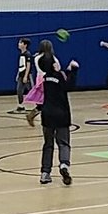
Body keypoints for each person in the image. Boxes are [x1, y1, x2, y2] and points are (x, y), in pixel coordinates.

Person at [38, 53, 79, 186]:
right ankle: (64, 165)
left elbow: (59, 80)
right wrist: (73, 70)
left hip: (47, 114)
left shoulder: (44, 78)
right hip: (61, 115)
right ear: (53, 65)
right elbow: (69, 85)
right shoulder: (60, 76)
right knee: (63, 143)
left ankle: (45, 173)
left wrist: (66, 70)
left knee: (48, 144)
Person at [24, 39, 57, 128]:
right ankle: (36, 116)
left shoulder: (37, 57)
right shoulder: (52, 58)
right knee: (48, 100)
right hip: (48, 79)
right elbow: (57, 67)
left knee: (44, 100)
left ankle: (33, 114)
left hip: (40, 79)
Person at [14, 38, 32, 113]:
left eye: (20, 43)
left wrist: (26, 76)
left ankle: (40, 104)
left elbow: (28, 66)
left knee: (32, 90)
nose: (19, 44)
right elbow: (21, 66)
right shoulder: (21, 54)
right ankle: (21, 106)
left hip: (26, 76)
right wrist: (18, 74)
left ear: (25, 45)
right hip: (21, 75)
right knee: (19, 90)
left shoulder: (27, 54)